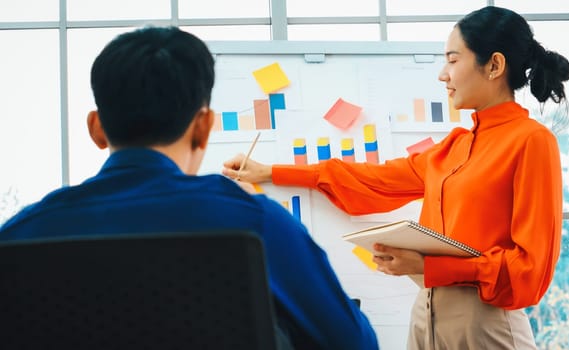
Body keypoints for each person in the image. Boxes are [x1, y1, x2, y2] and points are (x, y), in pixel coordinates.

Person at [0, 26, 379, 350]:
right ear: (203, 126)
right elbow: (353, 343)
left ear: (96, 127)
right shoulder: (255, 223)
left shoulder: (20, 235)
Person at [223, 6, 569, 349]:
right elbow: (373, 180)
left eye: (452, 60)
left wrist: (431, 266)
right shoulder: (454, 147)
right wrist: (269, 172)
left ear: (494, 65)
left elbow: (530, 270)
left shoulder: (531, 141)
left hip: (485, 325)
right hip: (425, 317)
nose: (443, 75)